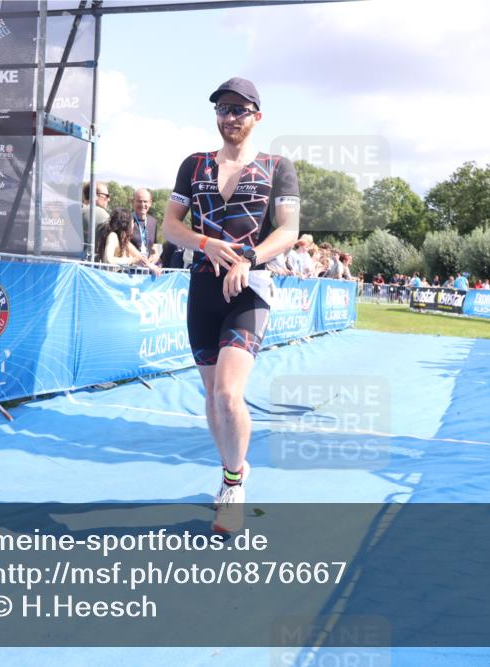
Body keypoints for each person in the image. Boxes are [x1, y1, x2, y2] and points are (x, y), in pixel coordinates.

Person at [161, 77, 300, 533]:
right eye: (223, 109)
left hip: (249, 290)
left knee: (227, 393)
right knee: (211, 397)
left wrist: (249, 257)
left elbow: (288, 231)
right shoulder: (194, 164)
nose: (229, 117)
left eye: (239, 110)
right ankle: (231, 470)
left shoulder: (277, 167)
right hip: (203, 290)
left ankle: (233, 483)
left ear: (256, 117)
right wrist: (204, 242)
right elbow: (170, 226)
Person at [102, 208, 160, 273]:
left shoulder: (124, 241)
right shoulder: (113, 236)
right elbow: (108, 260)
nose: (133, 225)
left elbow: (139, 257)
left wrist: (151, 266)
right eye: (132, 222)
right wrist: (132, 260)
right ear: (125, 224)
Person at [130, 188, 162, 266]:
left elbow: (153, 246)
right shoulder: (127, 219)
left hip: (146, 269)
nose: (142, 204)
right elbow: (124, 243)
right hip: (130, 268)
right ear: (133, 202)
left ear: (150, 203)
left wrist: (155, 255)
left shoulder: (153, 222)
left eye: (145, 201)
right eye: (139, 201)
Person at [82, 181, 111, 260]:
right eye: (106, 196)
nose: (108, 200)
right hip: (92, 267)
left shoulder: (76, 211)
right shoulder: (101, 213)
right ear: (95, 196)